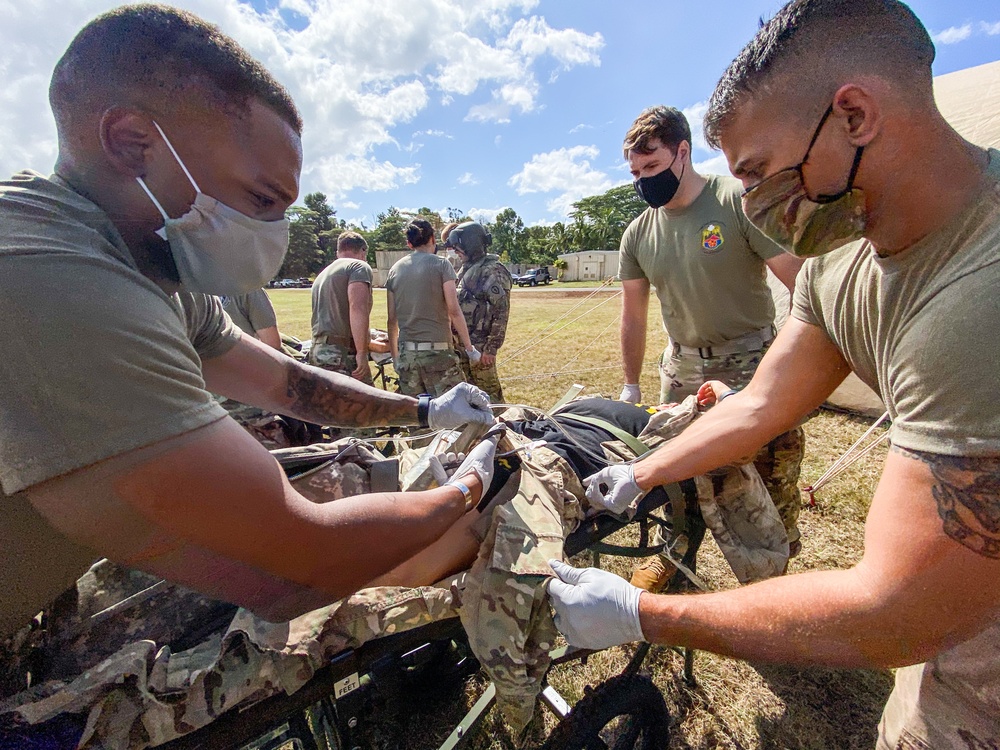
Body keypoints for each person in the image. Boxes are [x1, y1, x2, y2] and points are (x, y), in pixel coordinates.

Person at [547, 1, 1000, 747]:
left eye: (758, 171)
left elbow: (895, 613)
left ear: (853, 115)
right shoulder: (840, 260)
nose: (753, 200)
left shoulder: (979, 299)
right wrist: (648, 471)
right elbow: (762, 402)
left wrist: (642, 615)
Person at [0, 5, 496, 642]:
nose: (271, 236)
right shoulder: (56, 282)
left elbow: (288, 384)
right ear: (132, 143)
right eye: (261, 200)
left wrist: (422, 411)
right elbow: (293, 572)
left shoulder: (137, 260)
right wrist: (466, 488)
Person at [617, 105, 807, 591]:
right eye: (636, 172)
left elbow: (803, 284)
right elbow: (633, 314)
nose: (644, 181)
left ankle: (776, 581)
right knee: (682, 477)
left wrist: (798, 362)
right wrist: (631, 384)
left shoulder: (736, 202)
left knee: (770, 471)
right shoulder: (639, 233)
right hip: (681, 370)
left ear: (683, 153)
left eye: (653, 168)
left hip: (750, 363)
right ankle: (678, 555)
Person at [386, 218, 480, 396]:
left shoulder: (394, 270)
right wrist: (470, 348)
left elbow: (392, 321)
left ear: (409, 243)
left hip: (408, 356)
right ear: (433, 239)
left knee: (418, 416)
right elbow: (454, 310)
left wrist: (396, 357)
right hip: (438, 354)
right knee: (454, 413)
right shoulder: (442, 264)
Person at [445, 220, 512, 402]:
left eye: (459, 248)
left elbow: (501, 311)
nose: (456, 253)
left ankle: (500, 429)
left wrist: (491, 348)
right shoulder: (467, 270)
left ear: (470, 245)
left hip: (481, 348)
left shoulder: (492, 271)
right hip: (465, 346)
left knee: (491, 399)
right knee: (470, 398)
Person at [309, 231, 374, 384]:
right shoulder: (358, 267)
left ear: (338, 252)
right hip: (341, 353)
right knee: (366, 405)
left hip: (319, 350)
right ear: (363, 251)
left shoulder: (322, 274)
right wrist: (362, 353)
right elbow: (357, 307)